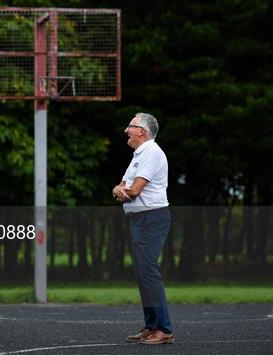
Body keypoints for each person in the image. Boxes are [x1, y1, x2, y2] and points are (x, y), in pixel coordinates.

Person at [111, 112, 174, 345]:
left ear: (142, 131)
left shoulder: (151, 152)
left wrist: (120, 191)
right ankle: (151, 326)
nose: (126, 130)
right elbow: (120, 188)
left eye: (131, 126)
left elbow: (131, 190)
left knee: (148, 271)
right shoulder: (139, 155)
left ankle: (164, 329)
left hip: (151, 218)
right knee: (142, 273)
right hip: (141, 219)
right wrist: (119, 190)